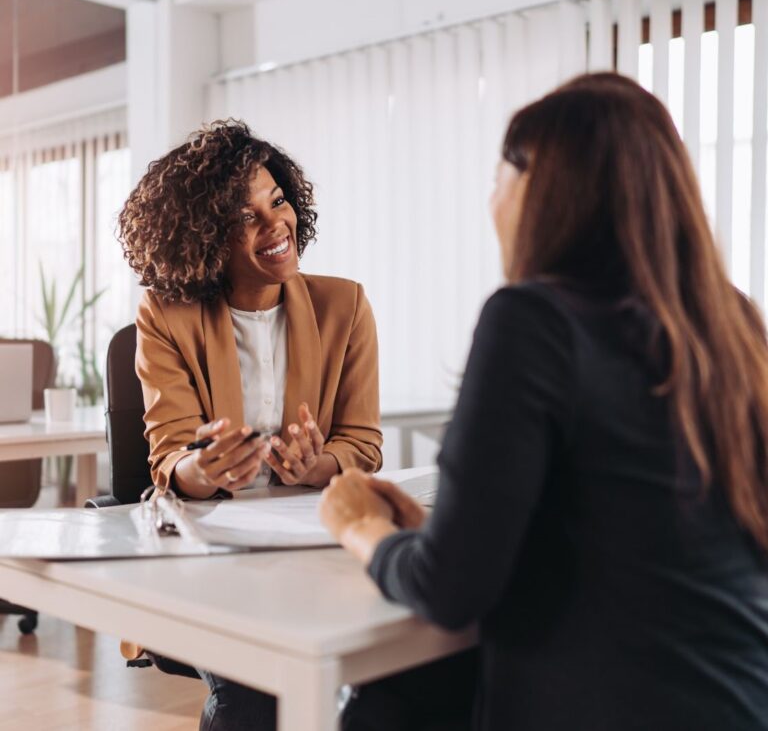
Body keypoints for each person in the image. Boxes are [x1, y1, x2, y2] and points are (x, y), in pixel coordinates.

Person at [320, 73, 768, 731]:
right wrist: (443, 534)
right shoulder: (731, 322)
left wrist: (359, 525)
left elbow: (449, 591)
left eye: (498, 177)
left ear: (539, 187)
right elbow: (639, 535)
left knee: (385, 705)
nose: (491, 200)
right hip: (742, 698)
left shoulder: (533, 319)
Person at [118, 119, 383, 731]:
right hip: (210, 558)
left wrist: (320, 465)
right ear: (204, 234)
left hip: (311, 551)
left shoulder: (344, 306)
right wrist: (205, 469)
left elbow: (362, 444)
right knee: (255, 692)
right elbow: (169, 461)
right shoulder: (167, 314)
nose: (275, 227)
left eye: (279, 201)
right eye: (246, 216)